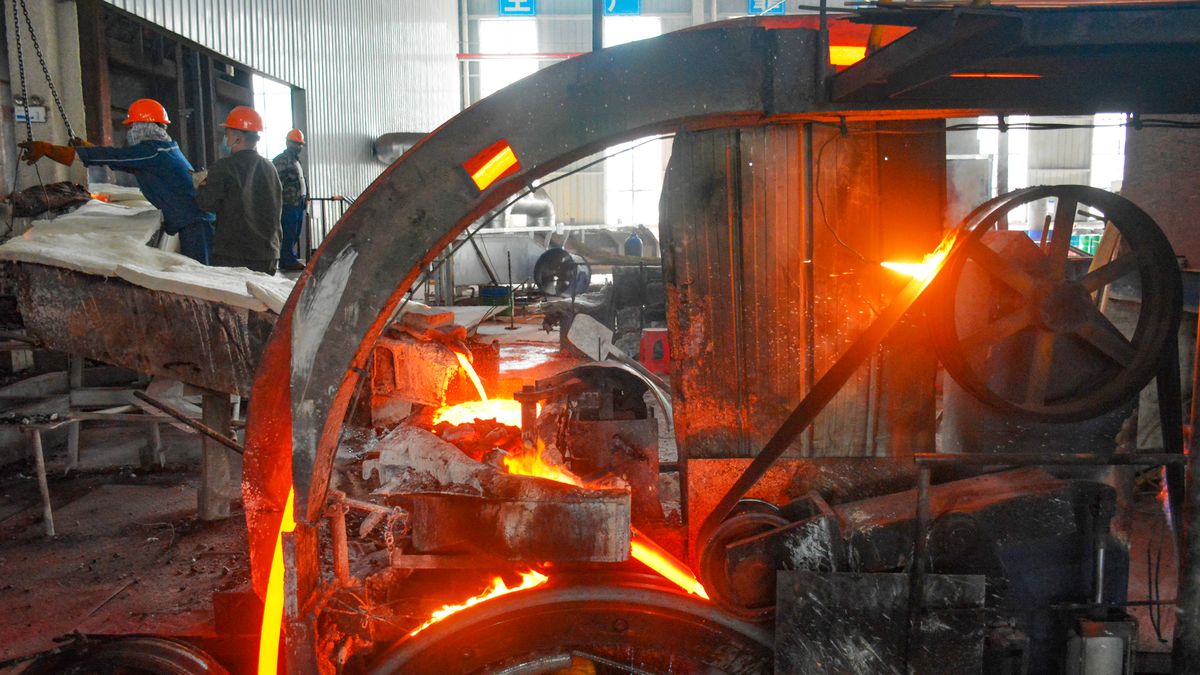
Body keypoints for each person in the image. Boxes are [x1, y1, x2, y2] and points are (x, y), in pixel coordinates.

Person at [18, 98, 216, 264]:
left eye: (131, 126)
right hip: (194, 220)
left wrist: (51, 150)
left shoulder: (153, 151)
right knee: (195, 270)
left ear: (143, 127)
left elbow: (115, 157)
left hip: (194, 224)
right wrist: (86, 149)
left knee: (198, 274)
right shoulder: (164, 149)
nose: (129, 132)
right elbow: (122, 161)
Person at [195, 106, 283, 275]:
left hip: (233, 255)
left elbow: (206, 203)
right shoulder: (270, 168)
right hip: (268, 254)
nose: (225, 139)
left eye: (226, 134)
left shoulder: (223, 168)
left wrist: (202, 185)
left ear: (236, 137)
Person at [272, 129, 308, 271]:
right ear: (287, 143)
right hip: (288, 203)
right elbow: (276, 181)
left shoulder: (296, 161)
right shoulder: (281, 160)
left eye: (300, 144)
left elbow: (301, 180)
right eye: (295, 143)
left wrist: (306, 197)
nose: (298, 147)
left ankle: (289, 258)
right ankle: (287, 259)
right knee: (288, 231)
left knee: (295, 231)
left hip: (298, 203)